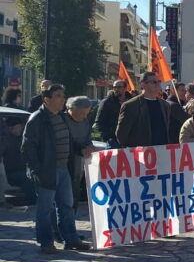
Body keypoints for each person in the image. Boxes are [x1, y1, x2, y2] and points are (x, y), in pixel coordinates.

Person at [22, 84, 90, 253]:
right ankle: (46, 243)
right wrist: (38, 171)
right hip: (46, 172)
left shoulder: (62, 117)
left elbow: (68, 141)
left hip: (63, 169)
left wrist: (81, 149)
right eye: (58, 95)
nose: (63, 99)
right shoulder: (37, 119)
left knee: (66, 206)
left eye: (63, 95)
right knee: (45, 209)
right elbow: (27, 148)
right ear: (47, 99)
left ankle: (71, 239)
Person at [116, 72, 171, 148]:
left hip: (162, 152)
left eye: (159, 81)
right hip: (141, 154)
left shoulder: (165, 105)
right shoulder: (131, 105)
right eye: (154, 82)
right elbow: (122, 135)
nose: (158, 84)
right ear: (143, 84)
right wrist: (134, 149)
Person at [95, 80, 128, 148]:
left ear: (125, 88)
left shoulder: (132, 101)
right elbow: (99, 121)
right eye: (114, 87)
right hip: (113, 141)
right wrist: (107, 137)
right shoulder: (107, 102)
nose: (116, 89)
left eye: (119, 87)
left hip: (130, 140)